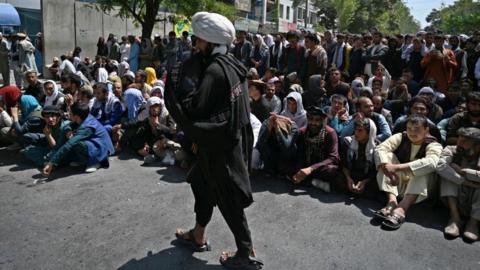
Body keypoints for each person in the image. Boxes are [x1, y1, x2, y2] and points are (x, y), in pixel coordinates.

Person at [165, 12, 263, 268]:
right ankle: (198, 233)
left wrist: (176, 93)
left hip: (221, 145)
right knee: (201, 182)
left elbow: (195, 108)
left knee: (228, 197)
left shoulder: (214, 72)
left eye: (198, 41)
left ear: (209, 43)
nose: (196, 46)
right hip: (227, 140)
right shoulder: (232, 64)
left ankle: (246, 253)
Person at [373, 115, 442, 230]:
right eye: (409, 128)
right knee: (385, 158)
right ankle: (392, 202)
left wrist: (397, 167)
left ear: (426, 130)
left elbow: (432, 162)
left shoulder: (434, 144)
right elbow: (381, 148)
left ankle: (402, 209)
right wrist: (388, 170)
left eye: (416, 129)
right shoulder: (401, 136)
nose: (411, 132)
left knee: (424, 168)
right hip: (397, 183)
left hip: (420, 190)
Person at [42, 102, 114, 176]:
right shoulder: (83, 116)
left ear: (76, 116)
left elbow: (69, 144)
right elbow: (68, 126)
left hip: (101, 150)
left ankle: (96, 162)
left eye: (70, 113)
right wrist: (68, 130)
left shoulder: (87, 128)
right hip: (93, 144)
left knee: (74, 142)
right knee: (66, 131)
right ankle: (82, 160)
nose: (68, 114)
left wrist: (51, 163)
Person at [437, 128, 480, 241]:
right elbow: (441, 166)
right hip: (457, 196)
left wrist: (464, 171)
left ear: (477, 146)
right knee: (448, 174)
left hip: (475, 199)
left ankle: (473, 224)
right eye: (459, 140)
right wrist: (465, 181)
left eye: (465, 142)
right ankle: (455, 219)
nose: (459, 144)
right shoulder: (451, 149)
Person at [291, 106, 340, 193]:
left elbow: (333, 158)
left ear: (323, 120)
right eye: (311, 119)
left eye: (317, 120)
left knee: (332, 170)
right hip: (306, 165)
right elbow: (300, 154)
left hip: (320, 167)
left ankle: (308, 181)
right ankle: (312, 182)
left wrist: (311, 169)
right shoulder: (302, 132)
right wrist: (300, 171)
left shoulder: (330, 133)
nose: (313, 123)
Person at [121, 96, 177, 164]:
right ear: (149, 108)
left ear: (160, 107)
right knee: (147, 146)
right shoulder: (148, 118)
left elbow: (171, 131)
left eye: (156, 106)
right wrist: (144, 144)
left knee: (165, 145)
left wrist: (158, 125)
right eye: (152, 107)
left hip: (168, 139)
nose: (154, 109)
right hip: (155, 142)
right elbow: (145, 133)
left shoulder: (167, 115)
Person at [338, 118, 380, 198]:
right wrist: (348, 178)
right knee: (333, 172)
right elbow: (343, 164)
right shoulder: (348, 142)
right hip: (351, 175)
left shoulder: (377, 147)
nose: (356, 133)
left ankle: (354, 191)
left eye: (360, 130)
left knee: (379, 183)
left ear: (369, 133)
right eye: (355, 130)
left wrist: (364, 182)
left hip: (367, 178)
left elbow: (376, 171)